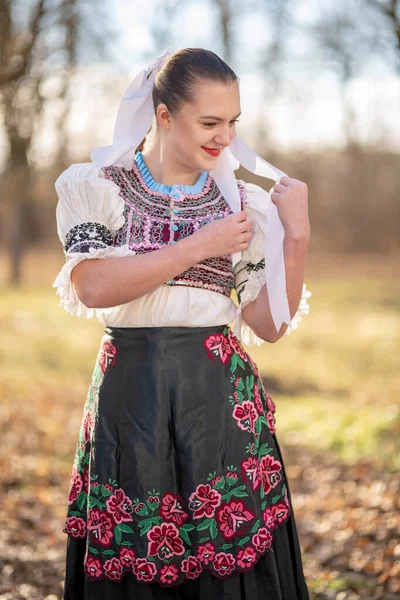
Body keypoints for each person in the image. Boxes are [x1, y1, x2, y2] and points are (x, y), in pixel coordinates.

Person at [53, 48, 312, 600]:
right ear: (164, 114)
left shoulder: (243, 203)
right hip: (131, 399)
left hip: (216, 403)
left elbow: (268, 325)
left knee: (226, 558)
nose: (225, 137)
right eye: (210, 122)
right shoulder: (98, 186)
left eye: (233, 122)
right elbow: (93, 287)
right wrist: (201, 245)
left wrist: (296, 239)